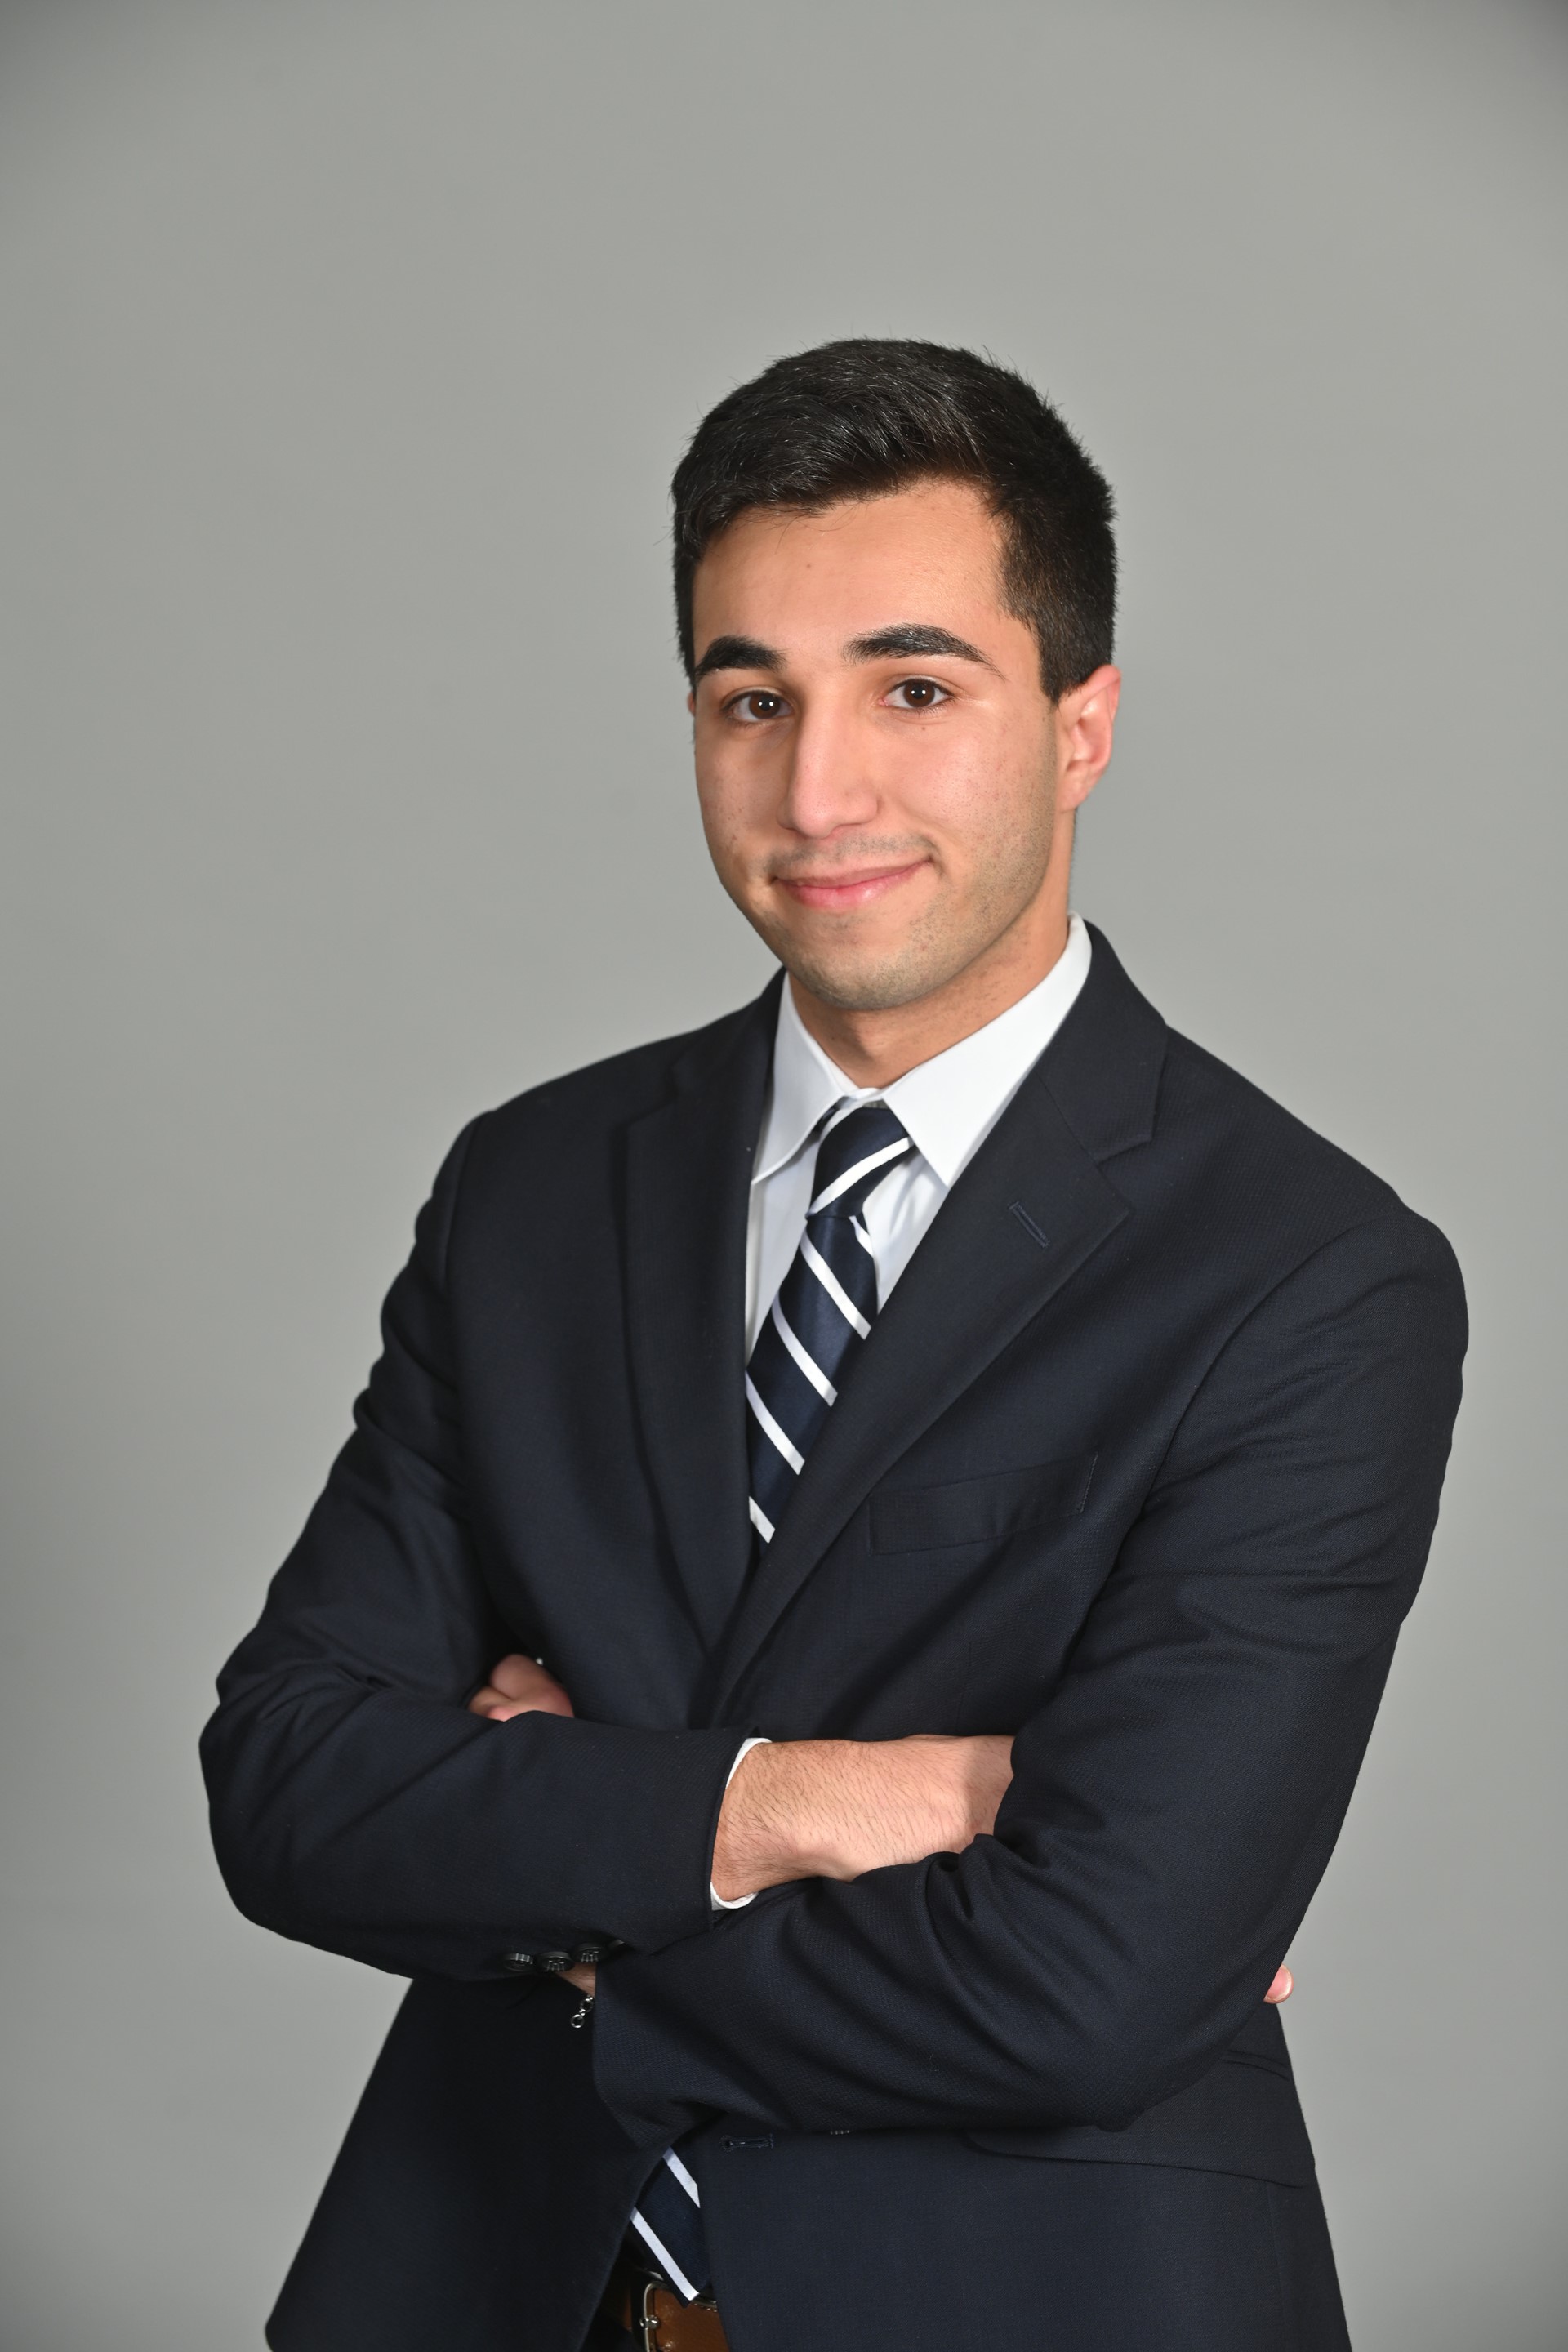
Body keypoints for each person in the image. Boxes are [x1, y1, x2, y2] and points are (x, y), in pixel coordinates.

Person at [202, 339, 1465, 2352]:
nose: (817, 791)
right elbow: (287, 1783)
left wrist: (582, 1917)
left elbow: (1095, 1981)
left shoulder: (1310, 1274)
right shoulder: (531, 1188)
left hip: (1037, 2300)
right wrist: (795, 1809)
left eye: (916, 688)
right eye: (748, 700)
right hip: (479, 2279)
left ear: (1082, 723)